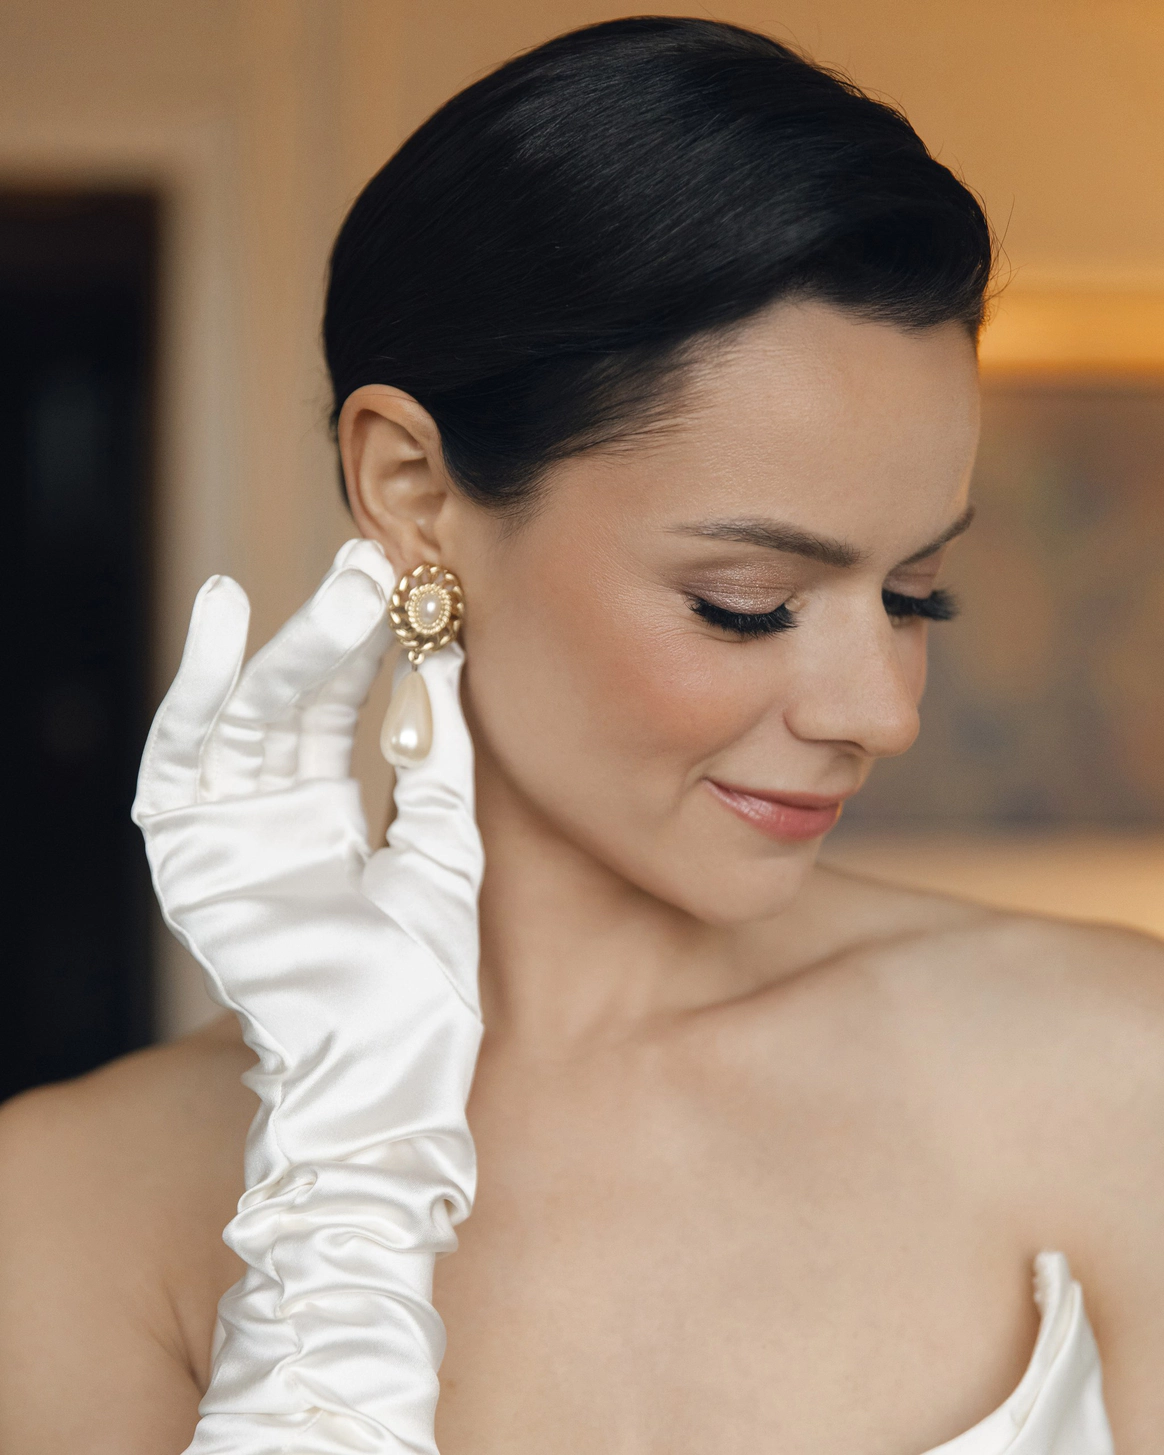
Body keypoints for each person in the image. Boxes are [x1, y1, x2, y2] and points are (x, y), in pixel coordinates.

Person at [1, 16, 1161, 1454]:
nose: (885, 711)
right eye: (747, 601)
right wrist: (342, 1187)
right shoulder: (74, 1215)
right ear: (414, 492)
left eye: (916, 592)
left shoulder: (1119, 1071)